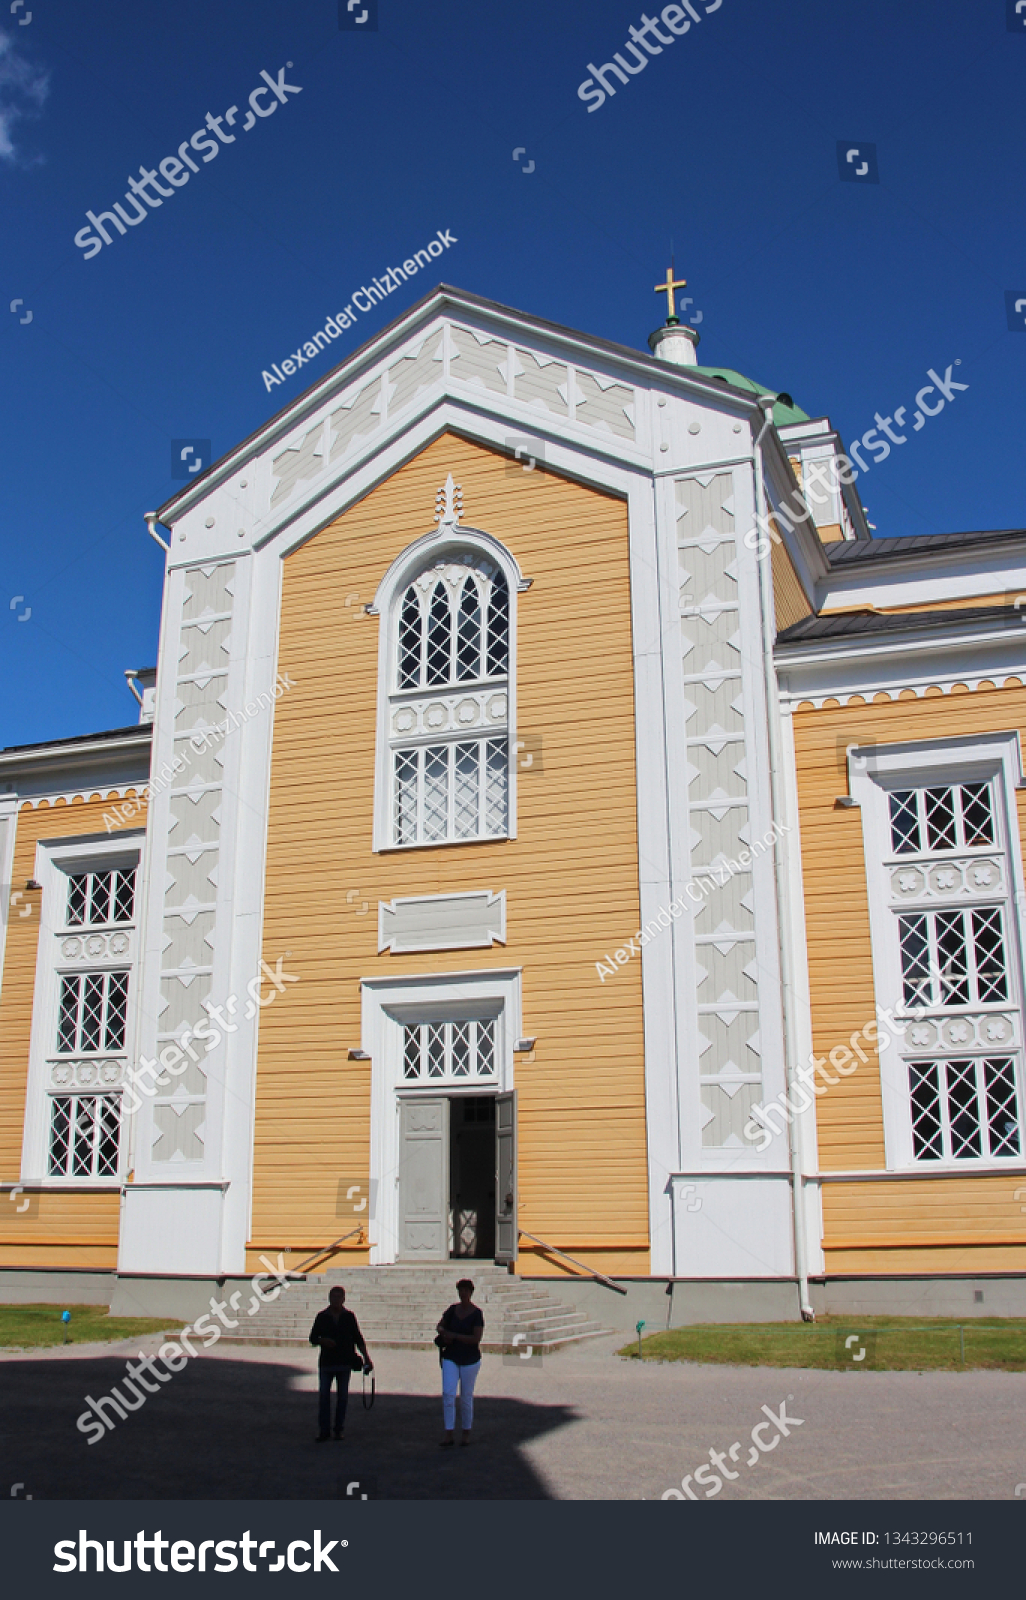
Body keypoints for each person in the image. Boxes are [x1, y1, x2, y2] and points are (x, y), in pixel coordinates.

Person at [309, 1285, 372, 1442]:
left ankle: (338, 1429)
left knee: (342, 1397)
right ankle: (324, 1430)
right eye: (333, 1297)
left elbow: (358, 1338)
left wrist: (367, 1358)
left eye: (338, 1297)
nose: (335, 1300)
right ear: (329, 1298)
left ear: (343, 1299)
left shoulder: (349, 1317)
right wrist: (322, 1340)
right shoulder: (322, 1316)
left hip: (344, 1362)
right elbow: (312, 1338)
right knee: (324, 1397)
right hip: (327, 1363)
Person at [436, 1277, 483, 1447]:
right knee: (448, 1393)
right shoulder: (452, 1310)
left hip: (470, 1359)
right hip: (451, 1356)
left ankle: (466, 1432)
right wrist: (443, 1333)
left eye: (466, 1291)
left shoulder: (476, 1313)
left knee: (466, 1397)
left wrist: (455, 1336)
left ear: (471, 1293)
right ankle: (448, 1432)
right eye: (460, 1291)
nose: (463, 1294)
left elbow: (476, 1338)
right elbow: (440, 1325)